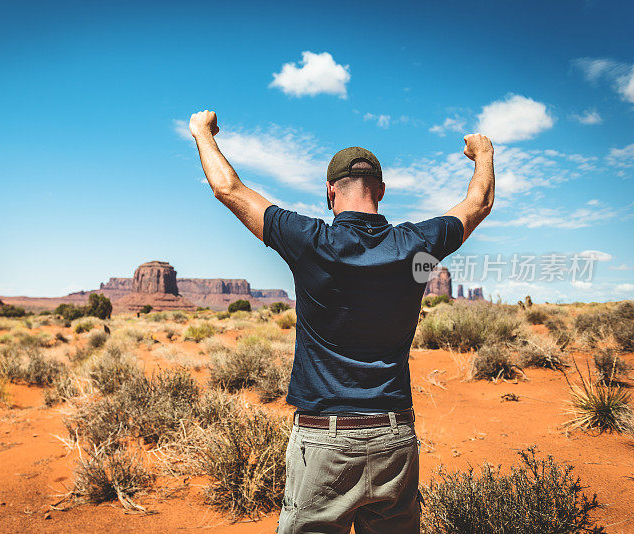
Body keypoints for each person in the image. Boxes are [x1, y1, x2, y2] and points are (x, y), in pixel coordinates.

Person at [189, 109, 494, 533]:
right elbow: (478, 204)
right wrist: (483, 152)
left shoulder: (309, 242)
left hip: (324, 443)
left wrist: (201, 131)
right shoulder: (416, 246)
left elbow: (228, 188)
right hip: (394, 440)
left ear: (330, 191)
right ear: (381, 191)